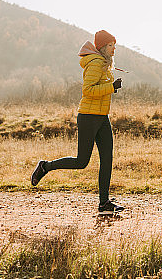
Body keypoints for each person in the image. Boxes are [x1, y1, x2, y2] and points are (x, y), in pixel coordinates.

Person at [31, 30, 125, 216]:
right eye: (110, 45)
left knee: (107, 159)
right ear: (102, 47)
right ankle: (45, 166)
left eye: (114, 45)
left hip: (101, 116)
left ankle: (104, 202)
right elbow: (88, 90)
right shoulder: (96, 63)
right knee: (82, 161)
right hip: (89, 116)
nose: (114, 48)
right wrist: (111, 87)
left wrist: (110, 86)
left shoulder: (104, 64)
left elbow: (99, 89)